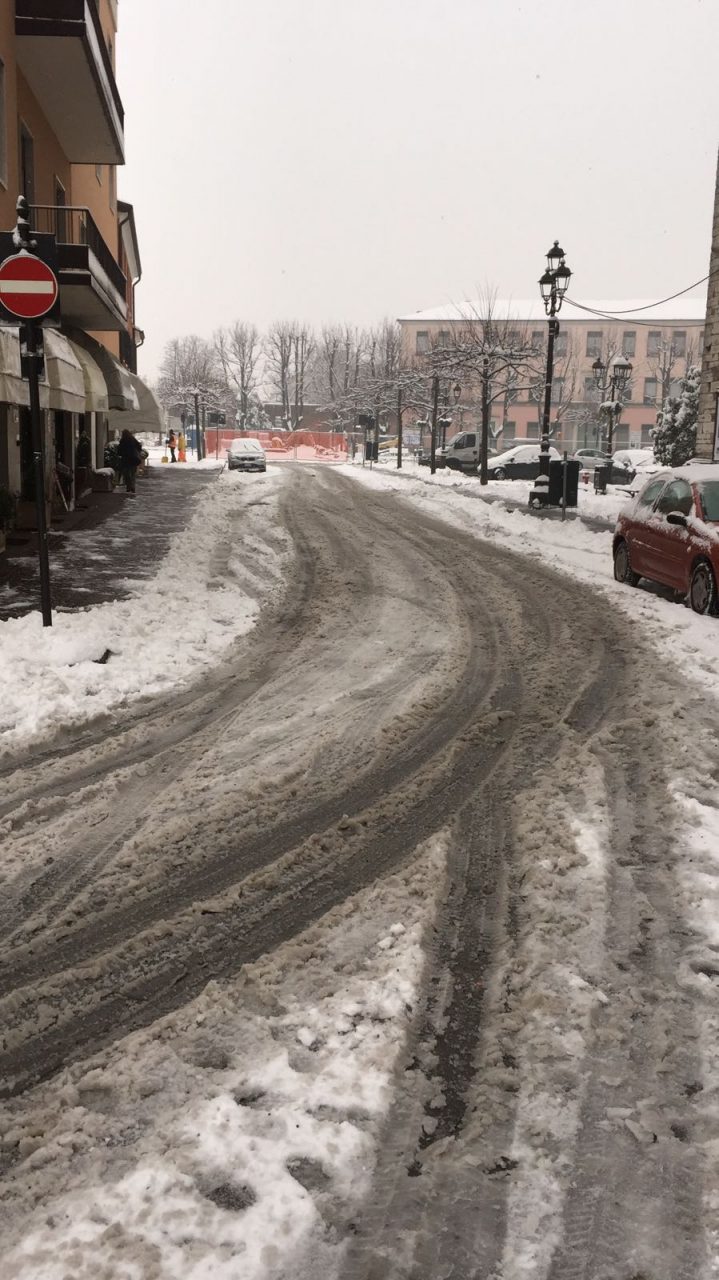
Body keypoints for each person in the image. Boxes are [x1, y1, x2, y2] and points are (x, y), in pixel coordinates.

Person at [117, 427, 144, 495]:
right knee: (132, 474)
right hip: (134, 460)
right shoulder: (133, 439)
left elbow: (119, 451)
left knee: (127, 474)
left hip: (126, 460)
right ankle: (133, 487)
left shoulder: (123, 441)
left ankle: (128, 487)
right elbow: (139, 446)